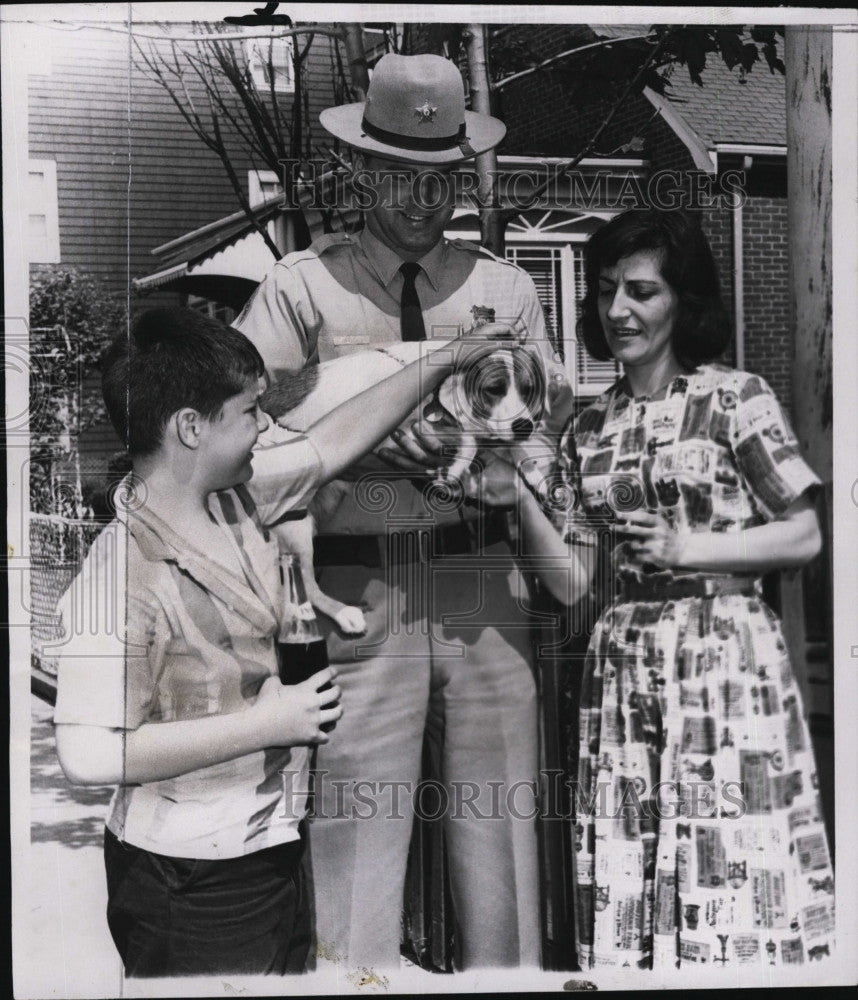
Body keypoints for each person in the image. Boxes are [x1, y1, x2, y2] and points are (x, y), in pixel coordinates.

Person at [234, 52, 573, 969]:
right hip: (356, 588)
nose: (423, 198)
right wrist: (362, 440)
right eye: (399, 174)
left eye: (443, 177)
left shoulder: (503, 291)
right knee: (353, 844)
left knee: (500, 831)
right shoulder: (300, 290)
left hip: (481, 584)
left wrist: (508, 463)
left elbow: (546, 440)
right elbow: (232, 443)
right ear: (358, 168)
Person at [52, 306, 513, 977]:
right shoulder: (119, 573)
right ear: (190, 428)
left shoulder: (236, 495)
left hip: (271, 845)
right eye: (250, 413)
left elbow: (331, 443)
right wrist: (265, 724)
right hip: (190, 875)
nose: (266, 428)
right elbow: (88, 752)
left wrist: (446, 359)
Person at [485, 207, 835, 970]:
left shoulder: (736, 397)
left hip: (722, 656)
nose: (618, 311)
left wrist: (692, 546)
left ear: (683, 300)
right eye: (607, 290)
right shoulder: (587, 429)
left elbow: (804, 534)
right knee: (630, 864)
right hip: (623, 663)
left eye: (641, 291)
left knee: (728, 858)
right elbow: (576, 584)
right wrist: (515, 497)